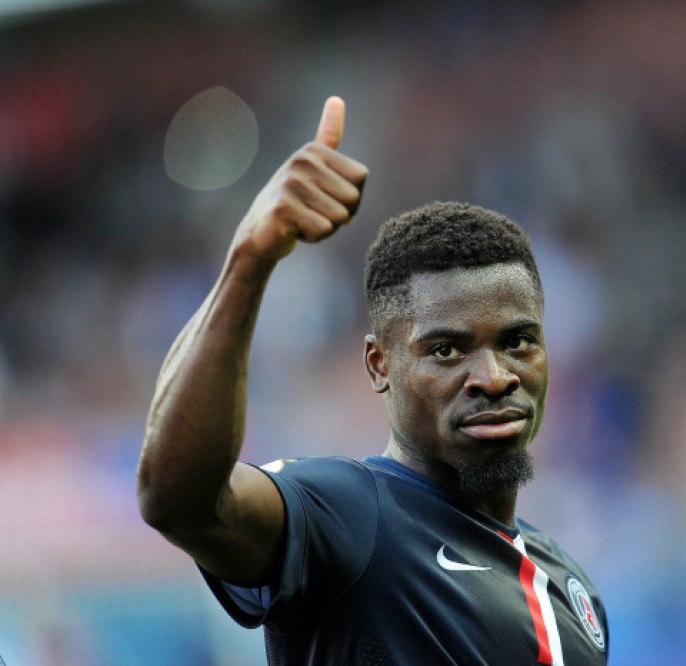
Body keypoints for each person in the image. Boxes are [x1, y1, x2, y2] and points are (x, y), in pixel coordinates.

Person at [137, 96, 609, 665]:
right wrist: (248, 263)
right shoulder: (351, 515)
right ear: (379, 365)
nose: (493, 377)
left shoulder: (573, 589)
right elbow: (179, 501)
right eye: (446, 350)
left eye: (517, 342)